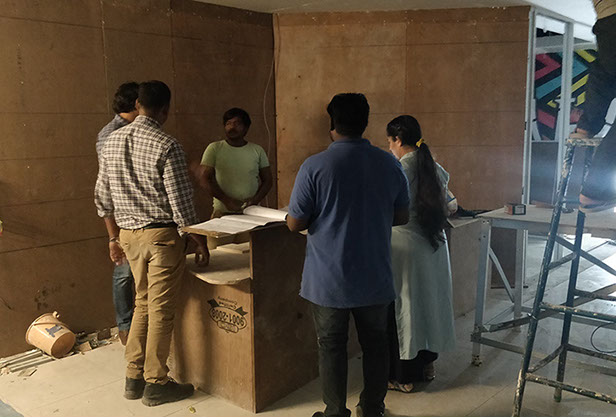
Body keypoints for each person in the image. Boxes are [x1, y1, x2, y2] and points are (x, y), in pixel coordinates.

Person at [287, 93, 410, 417]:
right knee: (376, 345)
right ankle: (372, 408)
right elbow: (402, 216)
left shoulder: (314, 166)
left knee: (331, 347)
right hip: (375, 276)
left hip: (328, 280)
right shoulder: (389, 164)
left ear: (333, 124)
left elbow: (295, 223)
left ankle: (335, 411)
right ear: (365, 123)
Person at [94, 80, 209, 406]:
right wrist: (199, 241)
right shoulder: (167, 144)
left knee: (142, 303)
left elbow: (102, 198)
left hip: (128, 237)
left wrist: (114, 237)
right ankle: (156, 382)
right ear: (164, 110)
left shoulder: (111, 141)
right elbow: (182, 206)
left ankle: (133, 377)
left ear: (138, 104)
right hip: (160, 238)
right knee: (160, 311)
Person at [385, 115, 456, 393]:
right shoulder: (433, 166)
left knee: (406, 310)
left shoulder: (399, 169)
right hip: (434, 244)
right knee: (430, 305)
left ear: (397, 140)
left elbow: (387, 207)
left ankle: (403, 377)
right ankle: (428, 365)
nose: (390, 147)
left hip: (405, 246)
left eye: (390, 142)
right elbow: (451, 204)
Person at [95, 81, 139, 346]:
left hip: (139, 216)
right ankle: (126, 328)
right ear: (137, 105)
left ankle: (135, 328)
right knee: (124, 272)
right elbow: (107, 187)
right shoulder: (111, 134)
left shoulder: (135, 130)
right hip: (123, 217)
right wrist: (113, 236)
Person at [574, 1, 616, 212]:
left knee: (607, 71)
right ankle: (596, 191)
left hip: (607, 18)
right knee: (605, 71)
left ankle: (586, 126)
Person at [200, 108, 273, 218]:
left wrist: (254, 201)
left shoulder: (257, 150)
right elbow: (205, 178)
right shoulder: (214, 148)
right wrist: (226, 201)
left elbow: (268, 180)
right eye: (228, 124)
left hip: (251, 213)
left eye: (237, 123)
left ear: (246, 128)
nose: (232, 127)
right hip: (222, 213)